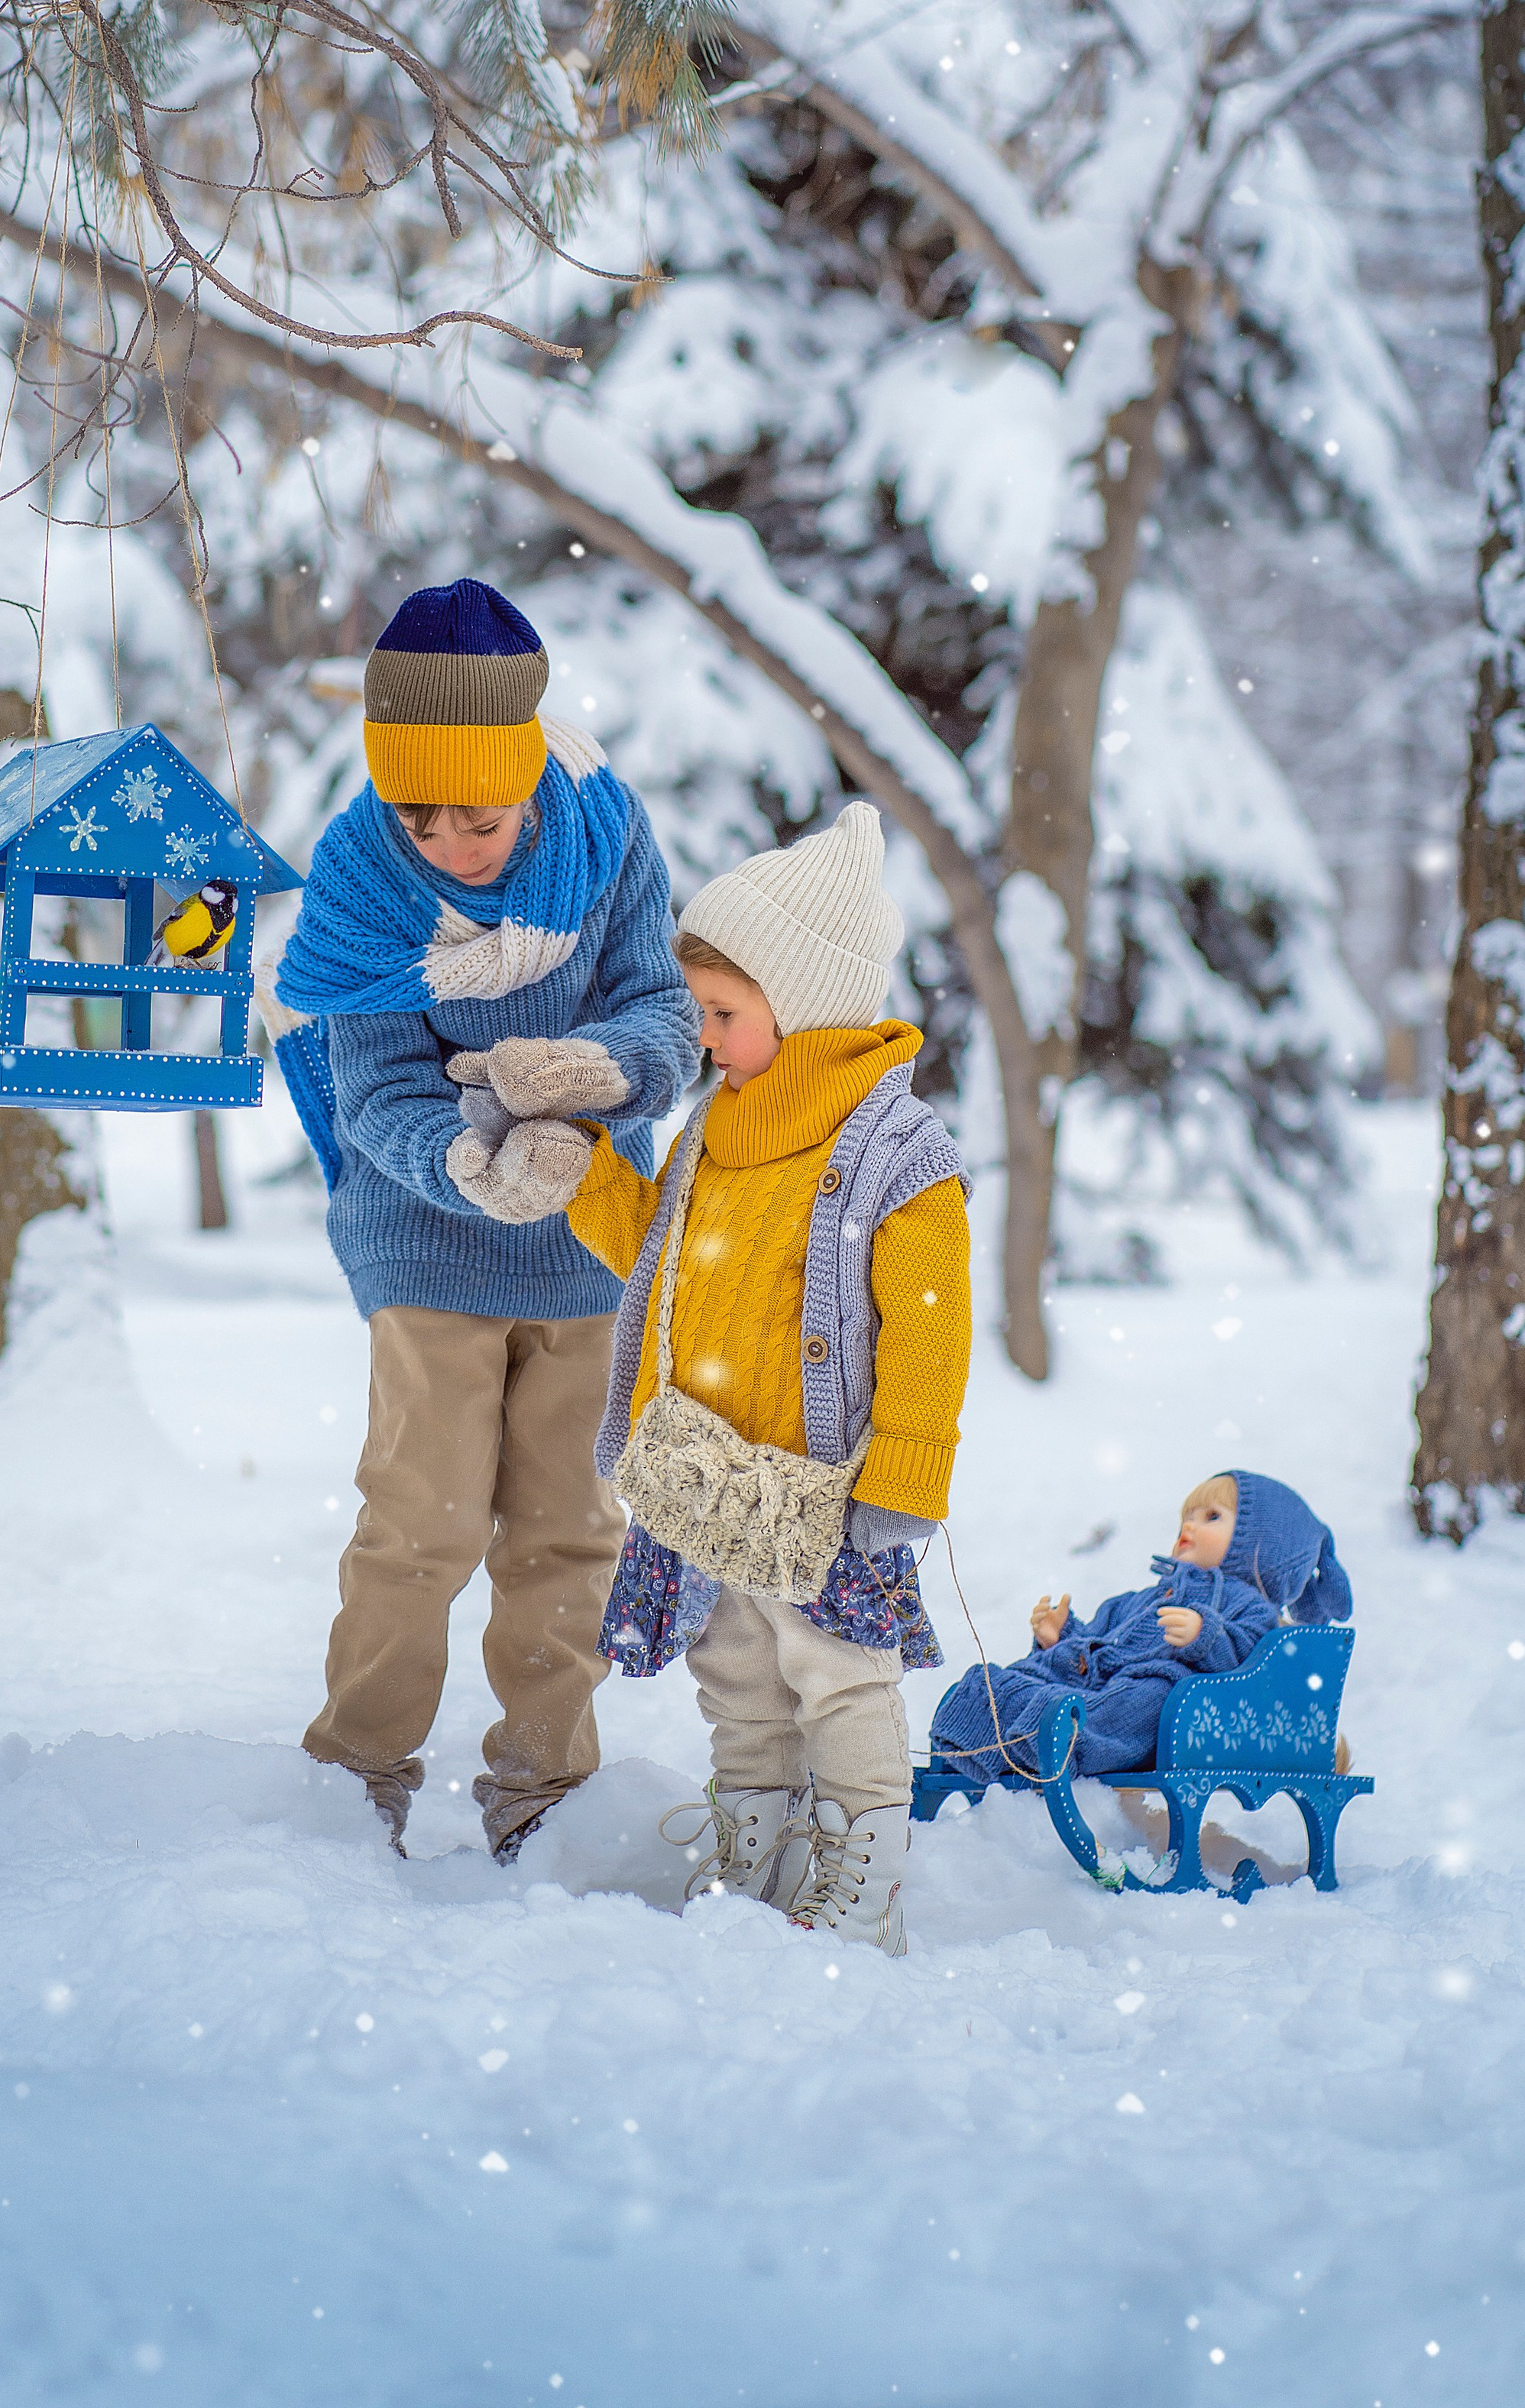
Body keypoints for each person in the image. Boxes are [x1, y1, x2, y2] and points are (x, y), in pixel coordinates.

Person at [260, 578, 701, 1860]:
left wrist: (596, 1072)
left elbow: (665, 1012)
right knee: (426, 1522)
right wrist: (467, 1161)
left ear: (526, 778)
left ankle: (544, 1791)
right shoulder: (358, 883)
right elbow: (377, 1090)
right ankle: (354, 1779)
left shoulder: (605, 839)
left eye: (481, 818)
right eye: (421, 817)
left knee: (569, 1529)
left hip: (590, 1237)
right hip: (425, 1237)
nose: (451, 846)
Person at [562, 803, 971, 1955]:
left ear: (805, 1007)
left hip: (822, 1494)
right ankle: (753, 1848)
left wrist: (905, 1471)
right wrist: (589, 1175)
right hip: (708, 1482)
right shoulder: (713, 1125)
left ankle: (862, 1872)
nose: (702, 1038)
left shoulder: (897, 1155)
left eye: (722, 1015)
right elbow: (661, 1256)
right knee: (736, 1673)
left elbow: (932, 1333)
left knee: (839, 1680)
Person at [928, 1469, 1352, 1788]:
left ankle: (1060, 1737)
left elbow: (1253, 1663)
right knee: (1019, 1678)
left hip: (1168, 1717)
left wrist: (1207, 1636)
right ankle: (1001, 1722)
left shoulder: (1248, 1606)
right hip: (1100, 1690)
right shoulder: (1147, 1598)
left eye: (1211, 1516)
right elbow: (1103, 1639)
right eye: (1187, 1516)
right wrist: (1062, 1637)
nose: (1189, 1526)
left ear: (1261, 1547)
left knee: (1147, 1696)